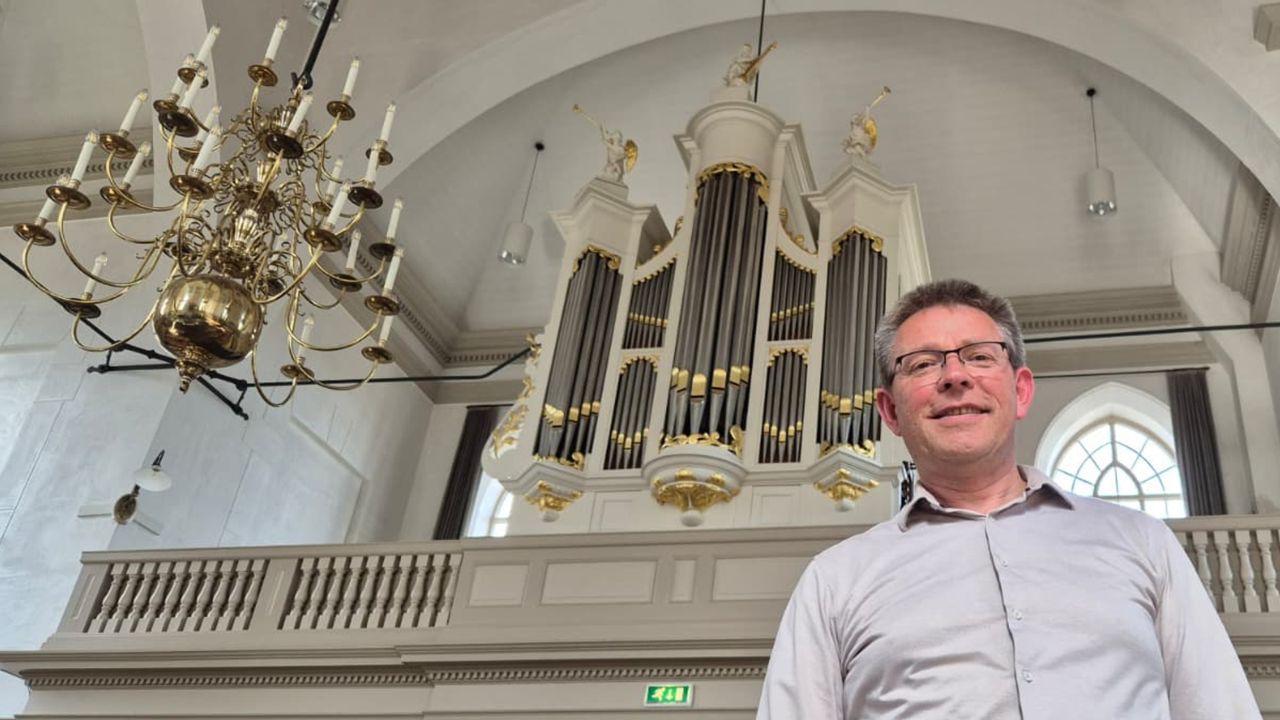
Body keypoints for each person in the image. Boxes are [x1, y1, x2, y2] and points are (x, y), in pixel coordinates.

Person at [757, 279, 1260, 719]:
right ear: (890, 412)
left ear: (1020, 391)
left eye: (979, 355)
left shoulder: (1143, 543)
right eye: (923, 363)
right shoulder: (835, 579)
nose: (955, 376)